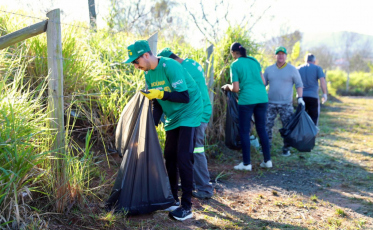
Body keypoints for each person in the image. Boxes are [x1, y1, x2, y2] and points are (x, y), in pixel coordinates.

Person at [123, 40, 203, 221]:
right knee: (169, 155)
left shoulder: (170, 66)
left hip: (189, 110)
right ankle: (173, 199)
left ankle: (187, 206)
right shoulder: (148, 75)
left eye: (136, 62)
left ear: (145, 55)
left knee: (183, 156)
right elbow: (157, 103)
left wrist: (160, 94)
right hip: (173, 115)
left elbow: (184, 96)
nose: (136, 66)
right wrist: (152, 123)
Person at [157, 48, 214, 200]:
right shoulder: (191, 63)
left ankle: (205, 189)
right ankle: (192, 183)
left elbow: (181, 94)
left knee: (196, 149)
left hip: (197, 114)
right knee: (188, 150)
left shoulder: (181, 68)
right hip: (199, 111)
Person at [221, 42, 271, 171]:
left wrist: (227, 87)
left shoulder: (235, 64)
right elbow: (264, 82)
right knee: (261, 129)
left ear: (233, 53)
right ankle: (267, 161)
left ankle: (246, 164)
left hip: (247, 100)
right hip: (262, 98)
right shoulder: (254, 61)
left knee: (244, 131)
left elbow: (236, 88)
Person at [264, 46, 304, 157]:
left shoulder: (292, 69)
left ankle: (286, 148)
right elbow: (262, 84)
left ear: (286, 56)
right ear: (275, 56)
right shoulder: (269, 69)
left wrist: (300, 98)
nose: (280, 56)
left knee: (287, 127)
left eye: (282, 54)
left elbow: (299, 84)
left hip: (286, 104)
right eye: (278, 54)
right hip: (270, 103)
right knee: (266, 126)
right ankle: (266, 148)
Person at [297, 53, 328, 125]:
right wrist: (324, 94)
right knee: (313, 118)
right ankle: (312, 134)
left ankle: (301, 134)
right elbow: (322, 81)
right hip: (313, 96)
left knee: (301, 118)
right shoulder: (317, 68)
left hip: (301, 96)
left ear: (305, 60)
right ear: (314, 61)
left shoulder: (298, 68)